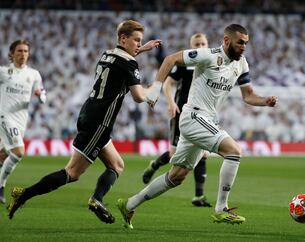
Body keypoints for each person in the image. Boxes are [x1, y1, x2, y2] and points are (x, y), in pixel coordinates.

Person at [117, 24, 278, 229]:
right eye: (240, 43)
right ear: (226, 41)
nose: (244, 47)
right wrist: (156, 89)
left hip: (206, 119)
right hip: (193, 116)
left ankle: (129, 204)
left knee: (177, 176)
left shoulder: (241, 64)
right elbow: (170, 59)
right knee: (234, 151)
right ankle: (221, 209)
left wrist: (266, 101)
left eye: (246, 43)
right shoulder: (208, 55)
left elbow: (248, 96)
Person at [7, 20, 162, 223]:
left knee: (117, 165)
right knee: (72, 172)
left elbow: (122, 62)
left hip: (90, 114)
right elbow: (139, 97)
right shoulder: (129, 63)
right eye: (136, 40)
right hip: (99, 122)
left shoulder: (107, 54)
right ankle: (24, 194)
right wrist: (155, 88)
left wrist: (142, 49)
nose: (138, 44)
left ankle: (97, 199)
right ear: (123, 39)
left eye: (140, 41)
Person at [142, 33, 211, 207]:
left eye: (203, 43)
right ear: (191, 46)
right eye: (196, 44)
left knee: (203, 152)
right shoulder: (185, 64)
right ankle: (155, 164)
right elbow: (168, 84)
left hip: (202, 115)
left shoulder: (211, 65)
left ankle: (198, 196)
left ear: (208, 45)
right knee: (175, 154)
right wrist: (171, 103)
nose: (200, 47)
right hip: (181, 113)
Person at [0, 40, 47, 204]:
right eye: (19, 51)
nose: (23, 54)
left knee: (3, 155)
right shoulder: (3, 72)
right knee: (19, 152)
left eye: (26, 51)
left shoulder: (33, 74)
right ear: (12, 53)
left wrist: (40, 95)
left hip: (21, 120)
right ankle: (1, 187)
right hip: (5, 117)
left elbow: (43, 97)